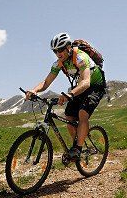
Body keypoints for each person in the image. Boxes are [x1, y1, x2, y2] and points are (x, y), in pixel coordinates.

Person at [25, 32, 105, 160]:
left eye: (60, 49)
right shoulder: (58, 63)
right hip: (80, 88)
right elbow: (46, 82)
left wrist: (69, 94)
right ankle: (77, 146)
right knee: (69, 117)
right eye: (55, 51)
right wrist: (34, 90)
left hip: (95, 85)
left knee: (83, 113)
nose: (58, 53)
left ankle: (77, 149)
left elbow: (86, 82)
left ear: (68, 47)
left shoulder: (80, 57)